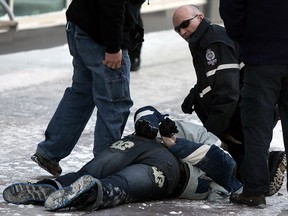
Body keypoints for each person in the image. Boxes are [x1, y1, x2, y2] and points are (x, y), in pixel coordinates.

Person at [3, 106, 242, 212]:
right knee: (97, 167)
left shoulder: (226, 162)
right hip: (141, 145)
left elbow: (222, 163)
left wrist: (176, 143)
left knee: (122, 182)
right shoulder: (198, 131)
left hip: (175, 172)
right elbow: (147, 110)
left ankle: (88, 193)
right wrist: (150, 124)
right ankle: (52, 188)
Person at [172, 4, 286, 196]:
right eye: (177, 29)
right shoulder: (201, 39)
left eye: (185, 24)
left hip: (249, 100)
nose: (182, 31)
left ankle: (264, 174)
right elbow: (215, 79)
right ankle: (255, 174)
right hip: (248, 98)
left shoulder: (214, 42)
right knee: (235, 158)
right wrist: (195, 92)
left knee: (247, 137)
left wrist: (207, 137)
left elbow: (227, 96)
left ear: (200, 17)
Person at [30, 0, 146, 177]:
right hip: (99, 36)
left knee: (82, 93)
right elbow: (113, 5)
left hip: (83, 27)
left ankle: (50, 152)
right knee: (114, 104)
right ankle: (104, 168)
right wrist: (113, 47)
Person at [219, 0, 288, 207]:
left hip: (262, 57)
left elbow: (232, 9)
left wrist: (246, 36)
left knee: (257, 126)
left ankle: (255, 191)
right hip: (264, 52)